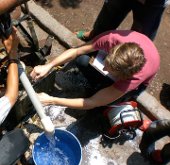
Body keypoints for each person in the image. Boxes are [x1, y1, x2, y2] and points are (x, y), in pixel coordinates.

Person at [30, 30, 160, 109]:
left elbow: (92, 102)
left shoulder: (134, 79)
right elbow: (77, 51)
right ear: (113, 49)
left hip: (139, 80)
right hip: (132, 53)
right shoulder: (111, 39)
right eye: (106, 63)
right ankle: (101, 85)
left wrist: (52, 100)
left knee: (103, 104)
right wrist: (49, 65)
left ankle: (112, 93)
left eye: (109, 70)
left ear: (124, 77)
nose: (104, 68)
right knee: (81, 60)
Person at [76, 0, 170, 41]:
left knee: (140, 35)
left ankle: (128, 62)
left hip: (153, 2)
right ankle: (95, 36)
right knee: (108, 15)